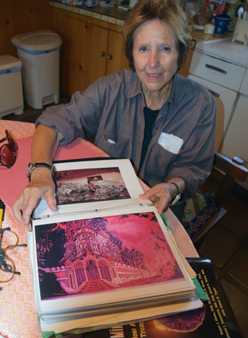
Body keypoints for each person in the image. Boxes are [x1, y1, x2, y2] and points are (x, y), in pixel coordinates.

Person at [12, 0, 216, 227]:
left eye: (165, 49)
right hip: (105, 205)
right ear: (132, 53)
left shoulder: (200, 104)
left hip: (161, 210)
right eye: (143, 49)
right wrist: (40, 174)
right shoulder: (109, 89)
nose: (153, 63)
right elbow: (52, 123)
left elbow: (193, 166)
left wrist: (172, 187)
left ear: (180, 53)